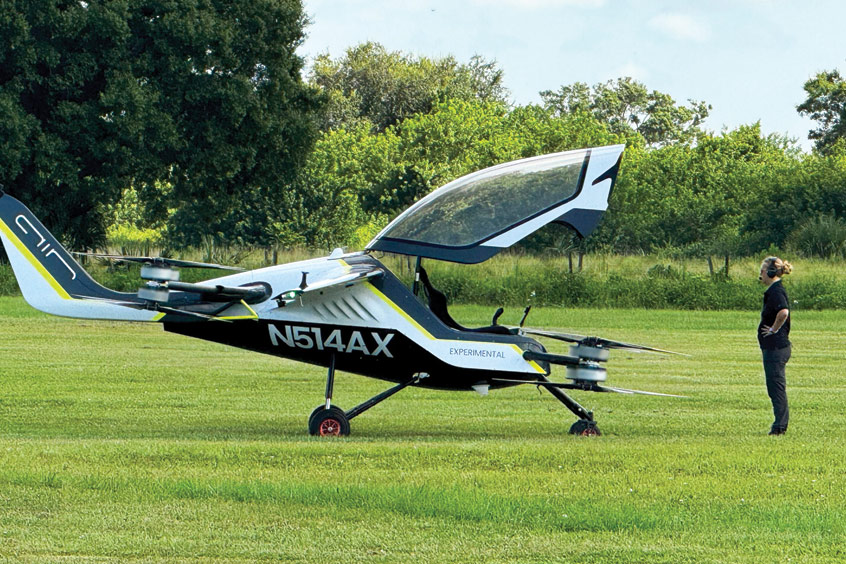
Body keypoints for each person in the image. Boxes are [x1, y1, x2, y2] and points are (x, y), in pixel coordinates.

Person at [758, 256, 793, 435]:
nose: (761, 275)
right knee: (774, 386)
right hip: (773, 348)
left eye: (762, 271)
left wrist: (773, 330)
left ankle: (780, 426)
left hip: (776, 348)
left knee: (776, 387)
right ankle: (779, 423)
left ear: (770, 273)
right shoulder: (773, 290)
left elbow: (783, 312)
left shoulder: (776, 291)